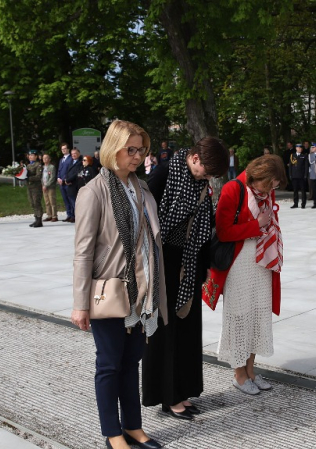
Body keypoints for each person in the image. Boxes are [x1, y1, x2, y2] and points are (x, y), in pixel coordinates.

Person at [71, 120, 165, 449]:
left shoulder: (141, 187)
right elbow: (83, 253)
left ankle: (134, 427)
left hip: (142, 293)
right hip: (110, 292)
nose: (138, 156)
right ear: (114, 149)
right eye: (131, 149)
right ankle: (113, 434)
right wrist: (80, 303)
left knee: (131, 363)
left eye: (142, 149)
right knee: (109, 365)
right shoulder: (93, 191)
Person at [143, 137, 229, 420]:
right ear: (194, 159)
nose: (208, 178)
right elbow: (144, 220)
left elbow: (203, 224)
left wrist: (202, 267)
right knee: (166, 331)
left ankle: (183, 390)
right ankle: (167, 397)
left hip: (189, 263)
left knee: (188, 328)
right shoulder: (164, 173)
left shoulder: (199, 181)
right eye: (206, 172)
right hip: (163, 262)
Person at [203, 155, 287, 395]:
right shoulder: (233, 189)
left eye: (275, 185)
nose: (272, 188)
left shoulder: (264, 193)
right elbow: (223, 231)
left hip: (261, 262)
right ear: (258, 175)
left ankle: (251, 370)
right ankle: (239, 375)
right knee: (240, 316)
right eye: (270, 183)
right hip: (239, 262)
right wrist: (257, 225)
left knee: (258, 314)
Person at [24, 150, 44, 228]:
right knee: (32, 202)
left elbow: (38, 176)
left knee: (36, 202)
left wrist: (29, 178)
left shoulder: (38, 165)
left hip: (36, 187)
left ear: (36, 156)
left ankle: (39, 220)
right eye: (29, 155)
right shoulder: (28, 166)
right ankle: (36, 218)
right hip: (30, 187)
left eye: (32, 155)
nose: (30, 157)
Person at [57, 143, 75, 223]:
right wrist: (58, 178)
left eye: (65, 148)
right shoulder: (61, 160)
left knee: (70, 199)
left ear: (68, 149)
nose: (63, 150)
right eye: (62, 149)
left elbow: (69, 171)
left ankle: (73, 215)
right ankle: (68, 214)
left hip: (67, 182)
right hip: (61, 183)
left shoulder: (71, 159)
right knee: (65, 199)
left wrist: (64, 179)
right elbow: (59, 170)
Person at [65, 148, 84, 218]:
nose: (73, 155)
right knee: (72, 202)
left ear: (78, 154)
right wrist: (66, 179)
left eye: (75, 153)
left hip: (75, 185)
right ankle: (73, 216)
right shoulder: (71, 162)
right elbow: (68, 172)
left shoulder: (80, 162)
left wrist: (68, 180)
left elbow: (77, 173)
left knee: (76, 203)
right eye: (72, 154)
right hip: (70, 185)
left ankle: (79, 217)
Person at [289, 143, 309, 208]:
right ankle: (295, 203)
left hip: (301, 176)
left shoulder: (304, 156)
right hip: (294, 175)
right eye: (298, 148)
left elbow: (306, 166)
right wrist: (290, 174)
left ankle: (303, 204)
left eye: (300, 148)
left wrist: (305, 175)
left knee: (303, 190)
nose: (299, 149)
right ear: (296, 148)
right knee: (295, 190)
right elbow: (290, 166)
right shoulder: (292, 155)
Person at [41, 153, 58, 222]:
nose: (45, 159)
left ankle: (54, 216)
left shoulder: (52, 167)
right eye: (43, 158)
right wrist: (43, 185)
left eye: (46, 158)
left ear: (49, 159)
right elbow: (42, 177)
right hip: (44, 186)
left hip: (50, 187)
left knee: (52, 201)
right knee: (47, 202)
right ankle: (49, 215)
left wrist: (46, 185)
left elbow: (52, 177)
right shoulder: (42, 167)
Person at [308, 143, 316, 208]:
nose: (312, 149)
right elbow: (311, 162)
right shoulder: (310, 155)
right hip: (313, 175)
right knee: (314, 190)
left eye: (313, 147)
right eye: (311, 147)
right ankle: (315, 203)